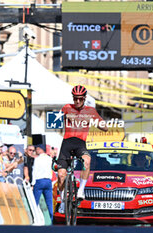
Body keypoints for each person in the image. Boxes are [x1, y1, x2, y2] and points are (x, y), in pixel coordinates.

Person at [57, 85, 108, 213]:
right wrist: (62, 117)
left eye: (80, 99)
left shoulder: (90, 111)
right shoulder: (66, 107)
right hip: (67, 143)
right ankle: (63, 200)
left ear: (84, 98)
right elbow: (54, 121)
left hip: (80, 144)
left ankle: (81, 191)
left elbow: (105, 127)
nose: (77, 101)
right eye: (75, 99)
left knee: (87, 161)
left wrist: (94, 121)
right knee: (61, 176)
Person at [32, 144, 53, 222]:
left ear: (40, 149)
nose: (36, 151)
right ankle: (51, 220)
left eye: (36, 149)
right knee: (49, 202)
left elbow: (35, 171)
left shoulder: (37, 159)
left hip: (39, 181)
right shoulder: (49, 159)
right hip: (48, 181)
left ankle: (34, 219)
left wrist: (32, 183)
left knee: (35, 201)